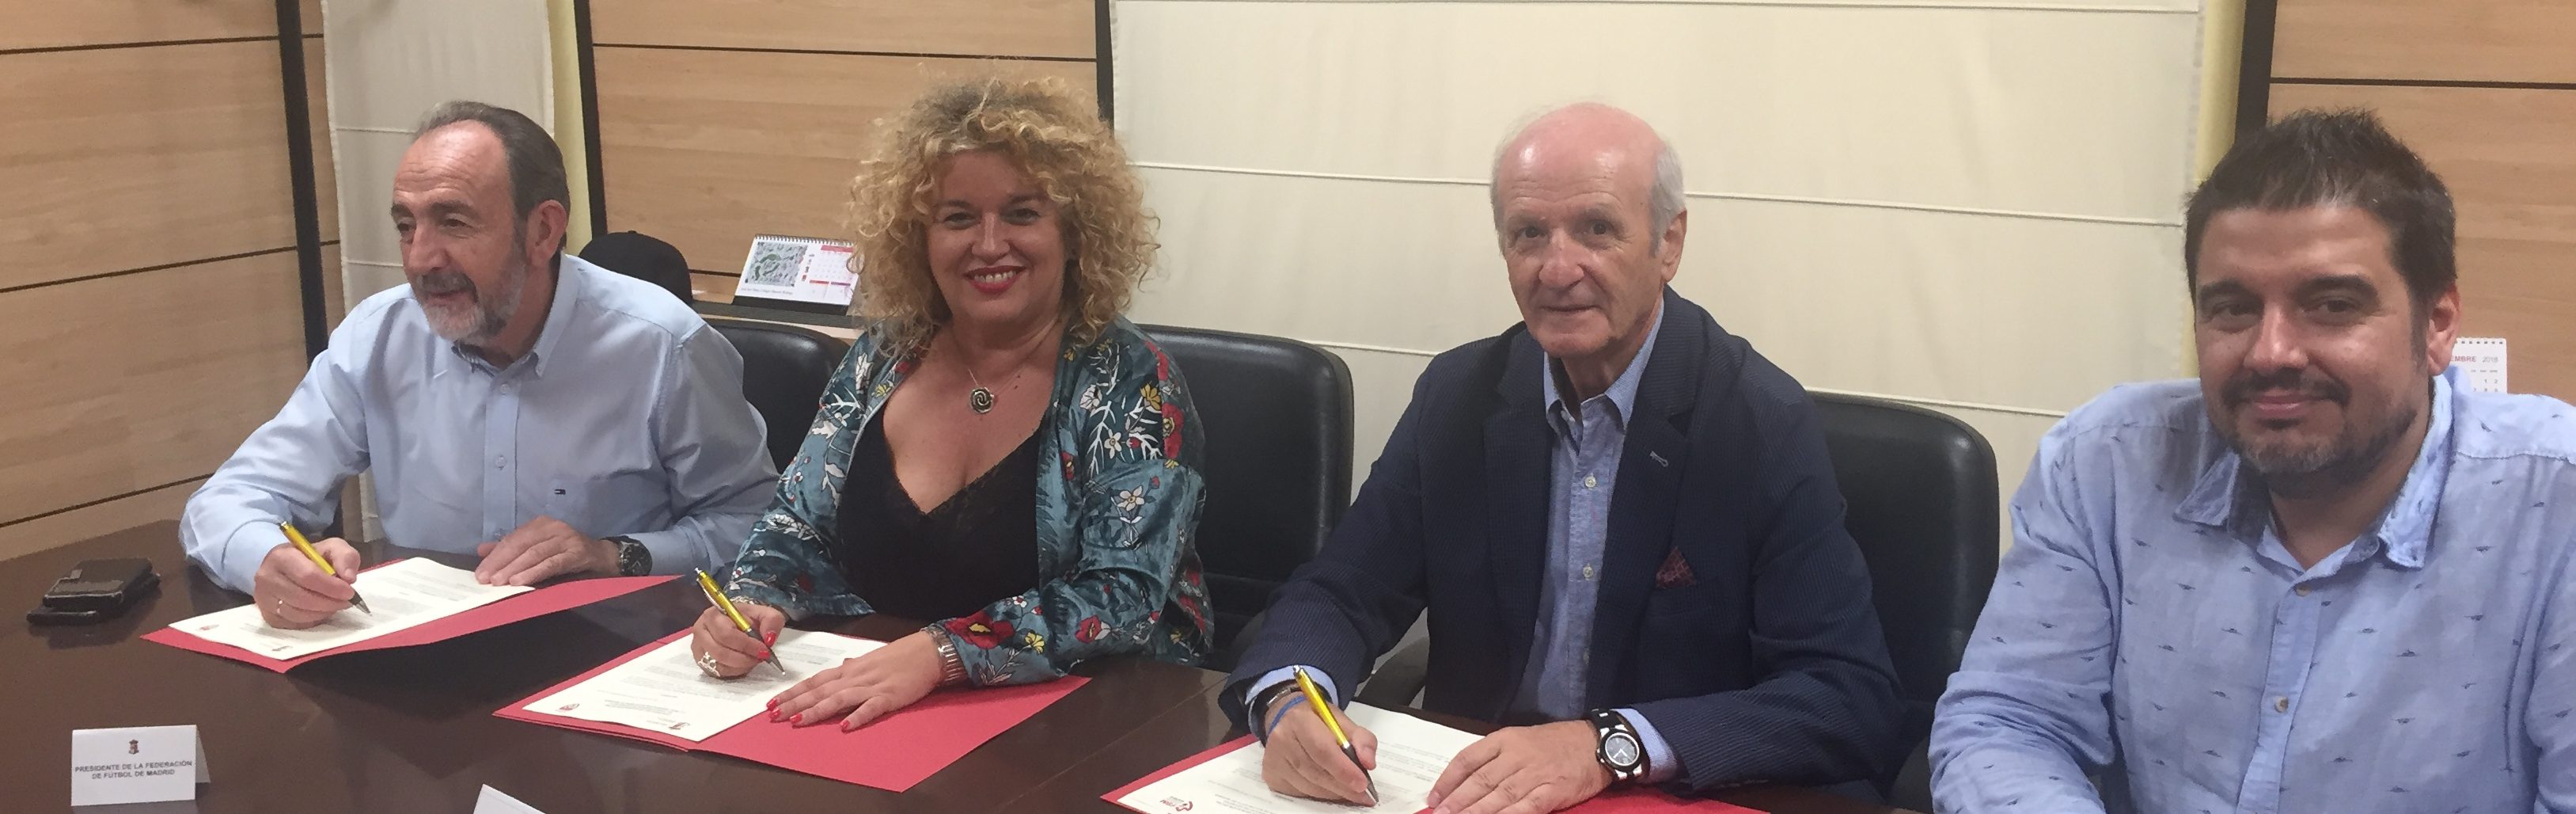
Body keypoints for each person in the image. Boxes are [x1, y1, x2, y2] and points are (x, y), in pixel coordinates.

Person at [1224, 103, 1904, 813]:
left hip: (1660, 793)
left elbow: (1845, 695)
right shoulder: (1458, 397)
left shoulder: (1758, 420)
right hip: (1477, 788)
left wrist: (1607, 744)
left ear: (1668, 243)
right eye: (1528, 233)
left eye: (1597, 229)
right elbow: (1342, 590)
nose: (1557, 269)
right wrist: (1288, 700)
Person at [1929, 110, 2576, 812]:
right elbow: (2008, 724)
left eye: (2331, 305)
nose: (2271, 353)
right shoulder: (2107, 463)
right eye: (2232, 309)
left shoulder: (2553, 503)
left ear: (2438, 325)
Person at [691, 76, 1214, 732]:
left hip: (1086, 722)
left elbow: (1121, 597)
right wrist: (750, 603)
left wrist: (944, 654)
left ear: (1074, 232)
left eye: (1021, 214)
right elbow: (797, 523)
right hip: (876, 702)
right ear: (919, 236)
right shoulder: (884, 354)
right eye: (958, 218)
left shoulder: (1131, 380)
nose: (989, 245)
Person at [180, 101, 779, 630]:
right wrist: (269, 560)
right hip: (423, 666)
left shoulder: (663, 345)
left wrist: (612, 554)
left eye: (454, 223)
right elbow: (230, 499)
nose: (421, 259)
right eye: (406, 226)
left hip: (609, 660)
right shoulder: (378, 336)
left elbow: (754, 527)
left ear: (542, 231)